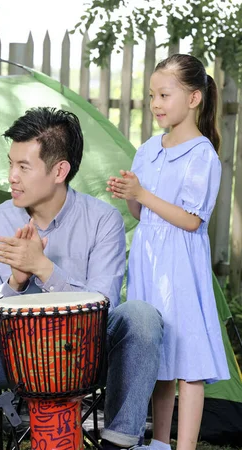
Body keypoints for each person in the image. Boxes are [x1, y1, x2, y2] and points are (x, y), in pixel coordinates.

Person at [0, 107, 164, 450]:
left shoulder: (102, 220)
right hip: (11, 358)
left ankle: (117, 445)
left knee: (142, 315)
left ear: (59, 171)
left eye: (24, 167)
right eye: (10, 163)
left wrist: (44, 268)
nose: (12, 176)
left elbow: (103, 306)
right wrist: (16, 281)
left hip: (83, 356)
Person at [107, 54, 228, 450]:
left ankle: (185, 446)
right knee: (156, 354)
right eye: (151, 95)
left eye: (164, 94)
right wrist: (131, 195)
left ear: (194, 98)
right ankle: (159, 443)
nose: (155, 103)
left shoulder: (201, 154)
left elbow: (192, 220)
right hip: (148, 258)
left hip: (180, 263)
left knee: (187, 361)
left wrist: (143, 193)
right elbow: (143, 214)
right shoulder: (147, 149)